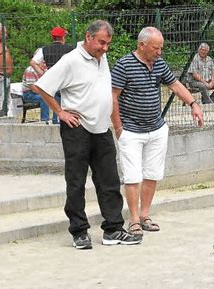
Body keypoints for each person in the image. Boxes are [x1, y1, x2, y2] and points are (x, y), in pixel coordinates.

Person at [33, 20, 142, 249]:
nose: (105, 48)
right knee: (76, 182)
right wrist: (60, 112)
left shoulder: (102, 58)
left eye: (107, 44)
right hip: (77, 128)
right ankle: (79, 231)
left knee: (109, 180)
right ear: (88, 37)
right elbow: (42, 86)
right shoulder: (71, 60)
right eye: (101, 42)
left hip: (101, 128)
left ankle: (113, 230)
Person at [111, 27, 204, 237]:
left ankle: (145, 216)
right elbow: (113, 97)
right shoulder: (124, 65)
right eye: (156, 48)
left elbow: (175, 85)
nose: (159, 52)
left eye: (161, 48)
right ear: (141, 45)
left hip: (157, 128)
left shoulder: (159, 63)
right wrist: (118, 128)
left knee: (152, 174)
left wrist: (193, 104)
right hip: (131, 130)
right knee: (133, 176)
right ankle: (133, 220)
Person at [31, 26, 73, 124]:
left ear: (52, 38)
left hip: (53, 80)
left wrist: (44, 74)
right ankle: (61, 122)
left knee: (55, 101)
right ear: (62, 38)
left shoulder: (44, 49)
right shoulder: (70, 49)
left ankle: (55, 121)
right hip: (66, 80)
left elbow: (33, 63)